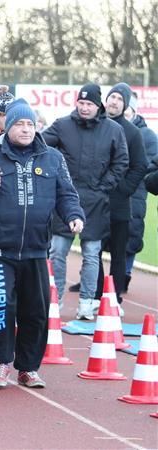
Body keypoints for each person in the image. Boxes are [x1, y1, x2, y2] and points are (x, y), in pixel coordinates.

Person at [0, 99, 85, 389]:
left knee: (36, 311)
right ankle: (0, 364)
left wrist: (74, 216)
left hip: (37, 250)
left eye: (30, 124)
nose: (25, 129)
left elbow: (66, 194)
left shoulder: (53, 158)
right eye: (19, 124)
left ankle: (28, 368)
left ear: (37, 126)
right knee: (1, 307)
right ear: (7, 127)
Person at [42, 84, 128, 319]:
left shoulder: (113, 129)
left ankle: (87, 303)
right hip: (65, 199)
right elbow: (40, 144)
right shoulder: (62, 125)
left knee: (92, 254)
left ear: (98, 105)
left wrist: (103, 187)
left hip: (96, 201)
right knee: (57, 252)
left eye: (89, 104)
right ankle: (55, 300)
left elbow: (121, 161)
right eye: (81, 103)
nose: (84, 107)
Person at [92, 83, 147, 311]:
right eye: (111, 97)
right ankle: (96, 296)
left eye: (119, 99)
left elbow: (139, 166)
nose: (114, 102)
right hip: (94, 202)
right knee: (92, 250)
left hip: (120, 204)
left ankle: (115, 298)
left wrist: (124, 189)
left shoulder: (133, 132)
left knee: (118, 253)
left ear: (125, 105)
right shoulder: (94, 127)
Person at [124, 93, 158, 291]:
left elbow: (149, 168)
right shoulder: (109, 129)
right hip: (112, 190)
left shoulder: (148, 136)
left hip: (135, 191)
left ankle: (125, 273)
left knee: (132, 232)